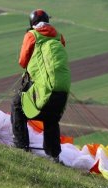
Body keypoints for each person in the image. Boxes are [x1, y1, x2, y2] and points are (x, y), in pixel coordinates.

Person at [11, 9, 70, 163]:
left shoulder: (31, 35)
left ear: (32, 23)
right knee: (51, 118)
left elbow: (23, 61)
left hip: (43, 88)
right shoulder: (59, 36)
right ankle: (54, 156)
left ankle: (21, 147)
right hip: (61, 90)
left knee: (18, 105)